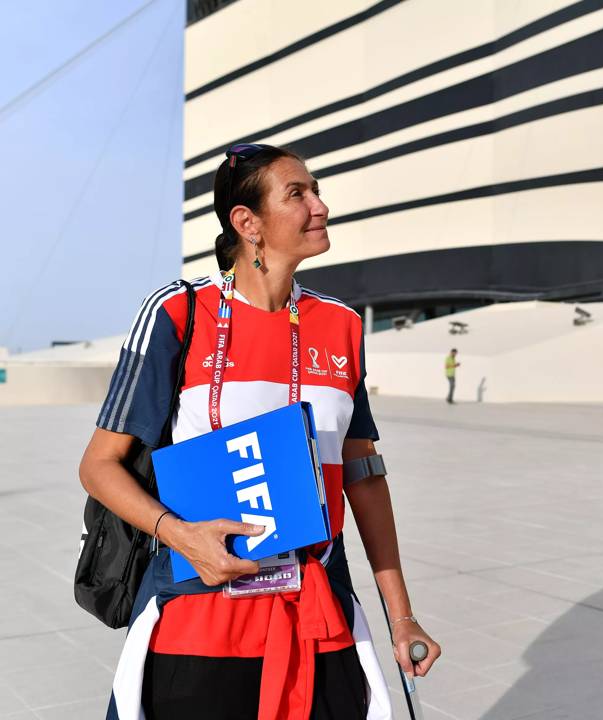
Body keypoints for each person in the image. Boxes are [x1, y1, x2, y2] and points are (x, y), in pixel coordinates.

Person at [79, 143, 440, 720]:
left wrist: (401, 617)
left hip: (319, 609)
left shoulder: (342, 324)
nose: (319, 205)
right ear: (247, 223)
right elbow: (98, 466)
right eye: (297, 193)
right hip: (200, 609)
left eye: (316, 190)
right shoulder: (179, 312)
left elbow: (364, 476)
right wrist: (183, 535)